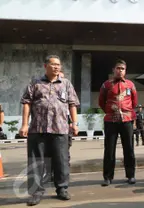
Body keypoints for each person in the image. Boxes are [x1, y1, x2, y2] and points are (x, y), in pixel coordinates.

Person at [19, 55, 80, 206]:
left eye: (58, 64)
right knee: (36, 162)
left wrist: (75, 123)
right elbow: (27, 103)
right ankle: (36, 192)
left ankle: (62, 189)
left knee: (61, 160)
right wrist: (25, 124)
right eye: (53, 64)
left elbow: (72, 104)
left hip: (60, 129)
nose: (56, 67)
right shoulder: (35, 83)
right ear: (45, 66)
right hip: (37, 128)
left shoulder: (66, 84)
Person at [98, 59, 137, 186]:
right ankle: (108, 177)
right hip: (111, 121)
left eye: (123, 69)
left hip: (127, 120)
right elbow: (101, 102)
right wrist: (111, 112)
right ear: (113, 70)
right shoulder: (106, 85)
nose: (120, 71)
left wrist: (127, 112)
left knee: (129, 148)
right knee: (109, 149)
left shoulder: (130, 85)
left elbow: (134, 102)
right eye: (118, 68)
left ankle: (131, 175)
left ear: (125, 71)